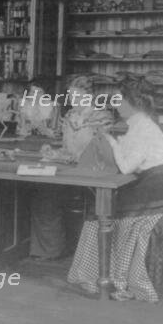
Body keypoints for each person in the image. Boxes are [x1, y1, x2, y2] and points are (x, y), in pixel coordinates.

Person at [68, 77, 163, 301]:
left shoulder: (143, 127)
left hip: (156, 193)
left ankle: (100, 279)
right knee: (100, 208)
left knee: (100, 214)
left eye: (118, 99)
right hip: (156, 188)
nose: (115, 104)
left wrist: (111, 141)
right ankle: (99, 276)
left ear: (131, 102)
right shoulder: (140, 123)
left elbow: (126, 166)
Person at [30, 76, 114, 260]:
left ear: (89, 96)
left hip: (94, 176)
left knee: (92, 206)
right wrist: (55, 153)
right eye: (70, 96)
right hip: (70, 173)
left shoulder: (102, 117)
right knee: (44, 195)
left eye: (76, 96)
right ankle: (51, 250)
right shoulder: (70, 116)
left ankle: (89, 258)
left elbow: (103, 152)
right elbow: (68, 149)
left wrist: (74, 158)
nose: (72, 100)